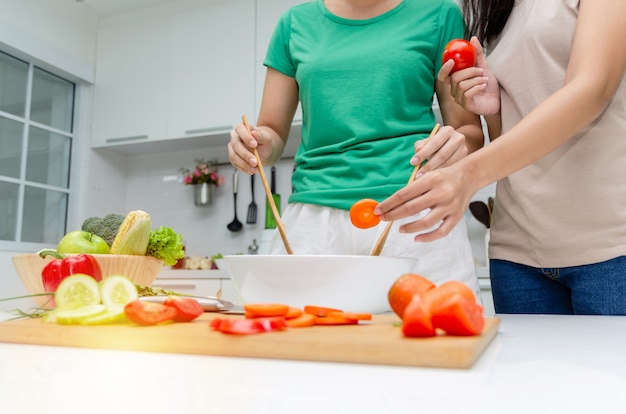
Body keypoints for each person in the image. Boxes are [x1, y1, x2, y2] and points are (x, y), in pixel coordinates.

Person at [375, 0, 626, 314]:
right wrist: (495, 112)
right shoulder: (489, 9)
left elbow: (591, 89)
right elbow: (516, 145)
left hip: (611, 248)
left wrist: (467, 174)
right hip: (518, 254)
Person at [228, 0, 485, 300]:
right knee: (299, 342)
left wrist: (454, 147)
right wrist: (254, 144)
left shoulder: (439, 14)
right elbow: (270, 135)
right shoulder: (294, 24)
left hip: (414, 213)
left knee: (439, 340)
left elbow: (469, 131)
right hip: (314, 223)